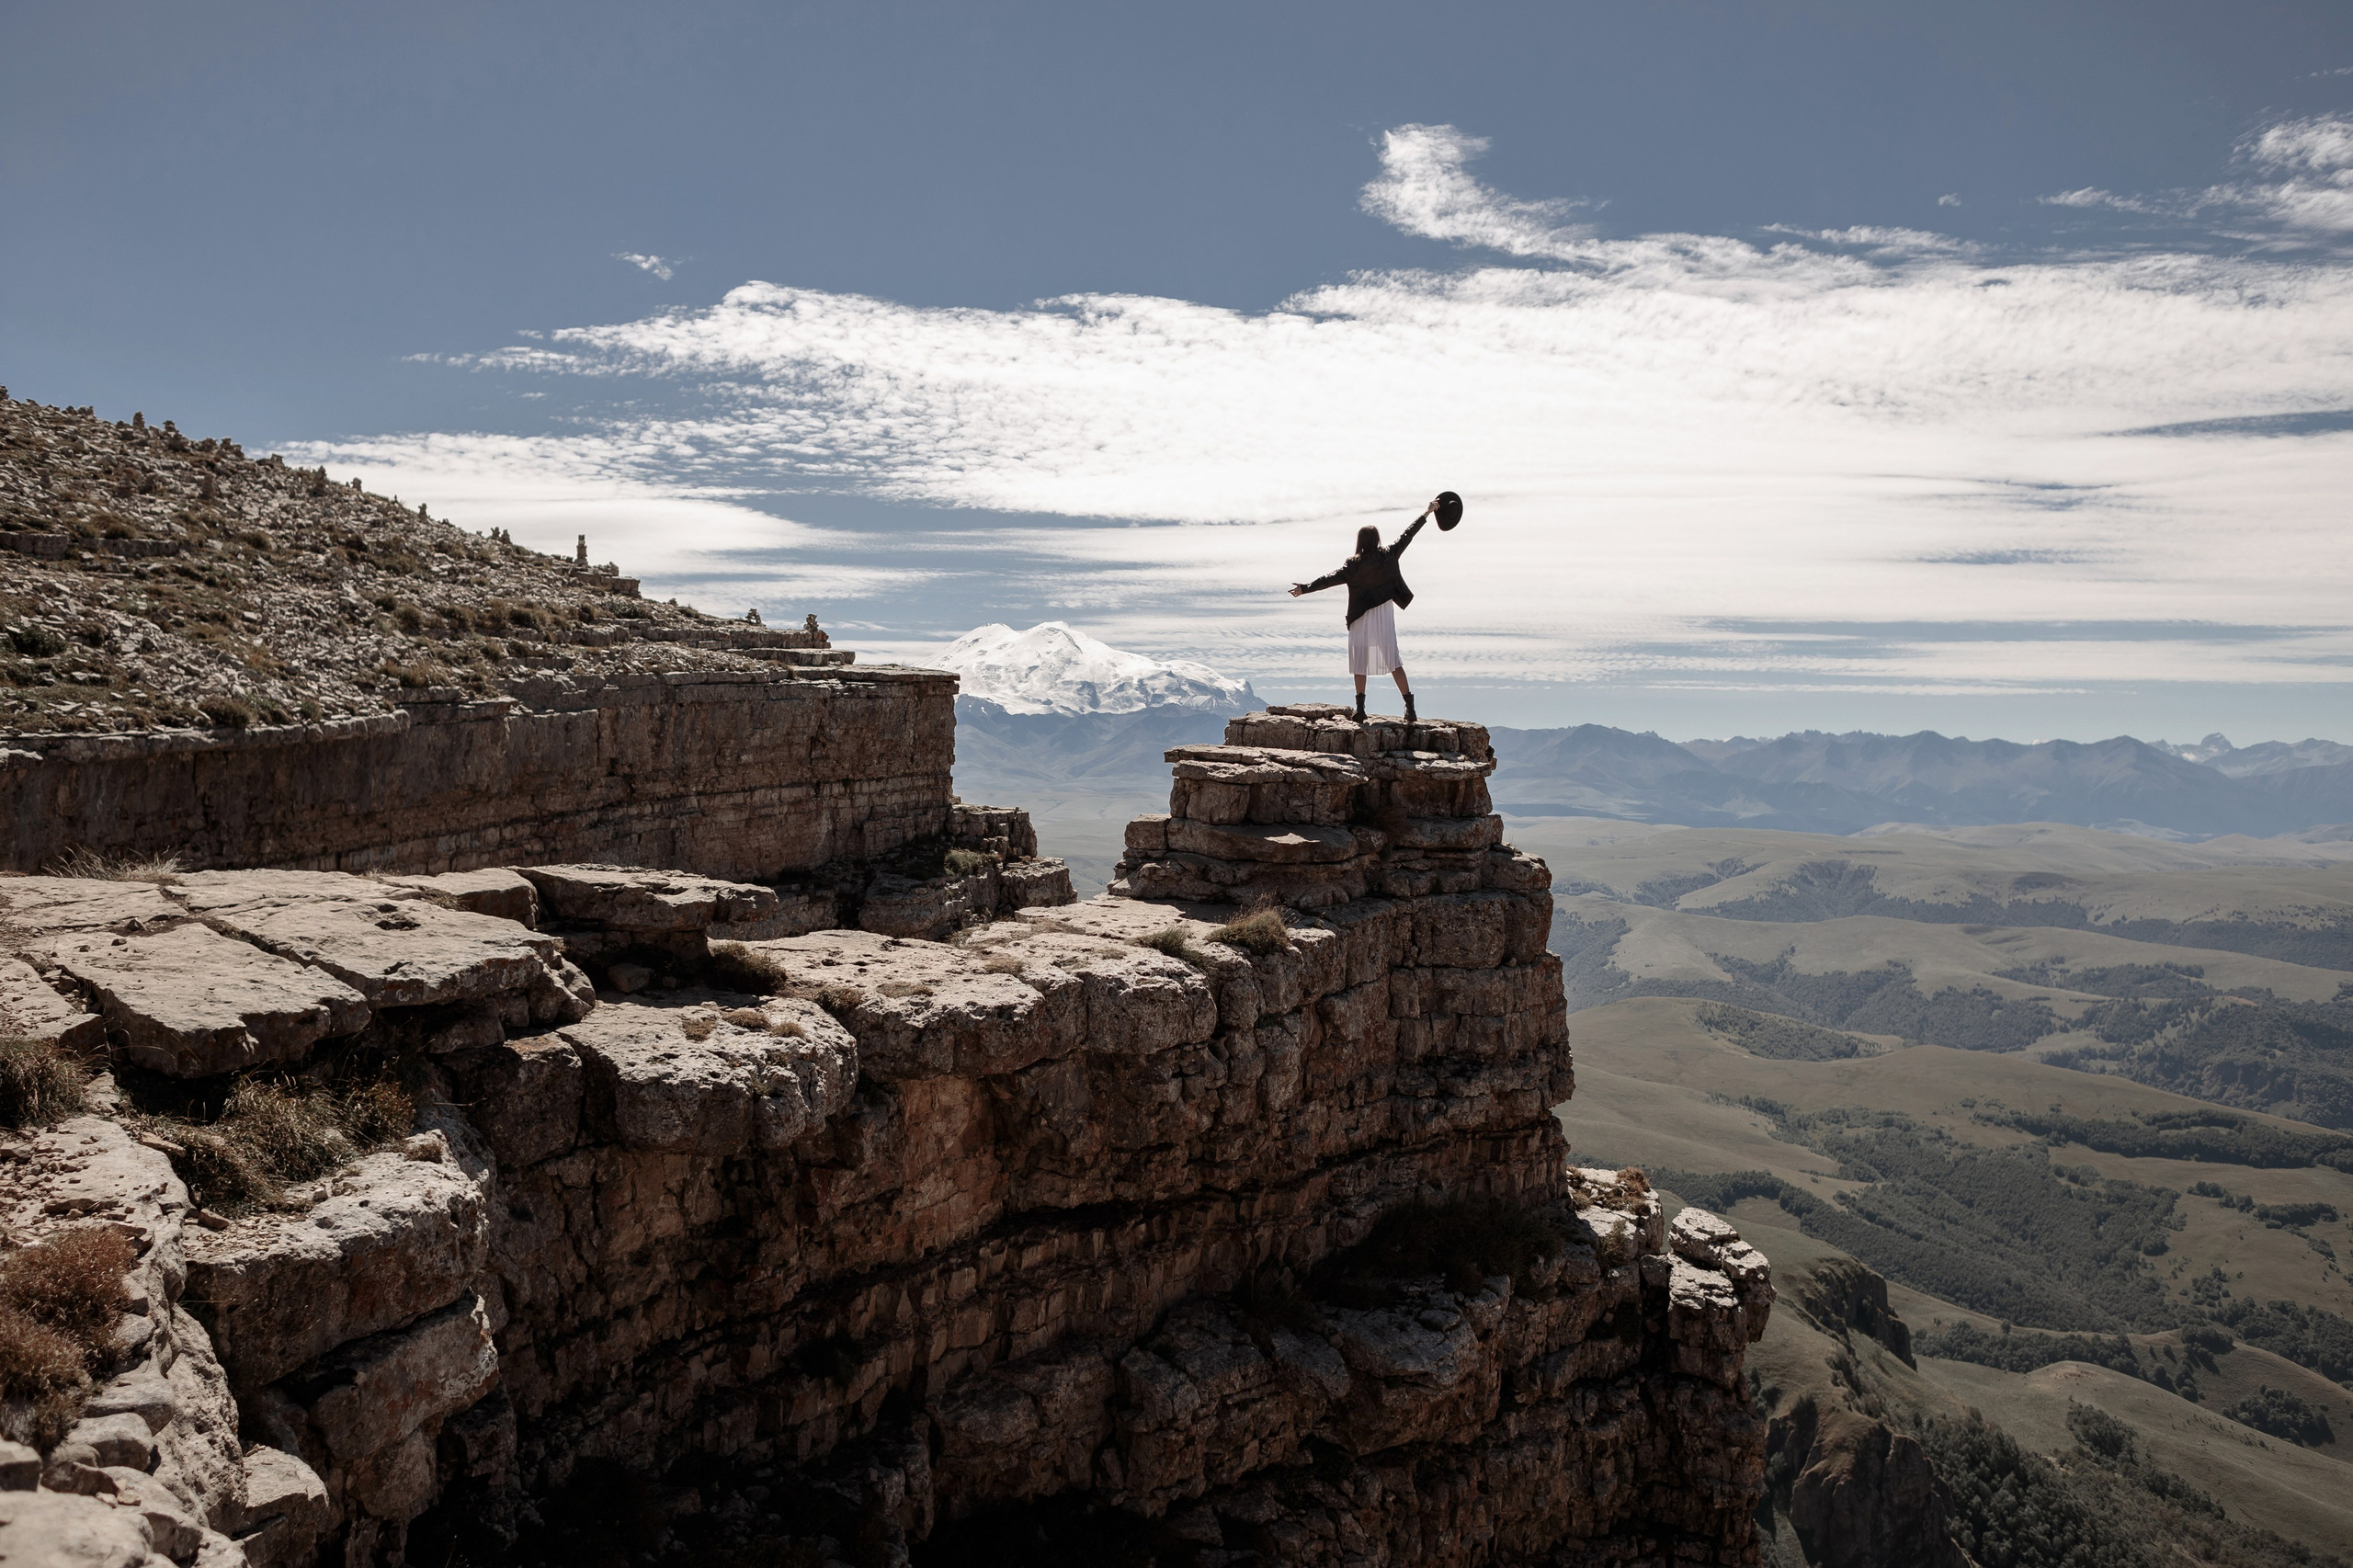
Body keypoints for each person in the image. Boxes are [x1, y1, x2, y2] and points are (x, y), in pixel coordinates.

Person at [1290, 496, 1439, 722]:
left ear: (1359, 541)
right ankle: (1410, 709)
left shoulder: (1353, 564)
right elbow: (1408, 534)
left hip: (1360, 614)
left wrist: (1305, 588)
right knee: (1393, 660)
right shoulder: (1388, 555)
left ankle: (1360, 710)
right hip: (1383, 611)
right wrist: (1427, 512)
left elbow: (1329, 579)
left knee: (1359, 659)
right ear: (1377, 539)